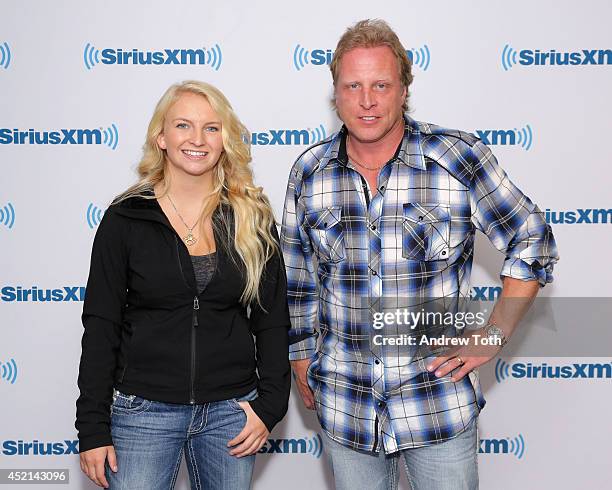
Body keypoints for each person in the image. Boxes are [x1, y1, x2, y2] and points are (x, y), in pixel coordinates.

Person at [281, 19, 558, 490]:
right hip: (347, 407)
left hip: (436, 403)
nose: (367, 100)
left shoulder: (457, 156)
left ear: (404, 89)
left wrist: (493, 335)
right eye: (354, 86)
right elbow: (299, 278)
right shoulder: (309, 171)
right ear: (336, 94)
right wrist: (301, 356)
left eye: (381, 85)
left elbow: (532, 240)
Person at [76, 80, 290, 490]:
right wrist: (92, 427)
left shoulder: (251, 217)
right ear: (161, 137)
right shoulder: (126, 218)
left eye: (211, 128)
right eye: (183, 126)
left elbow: (272, 319)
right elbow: (101, 324)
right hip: (142, 413)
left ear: (225, 140)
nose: (197, 139)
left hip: (231, 412)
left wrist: (269, 405)